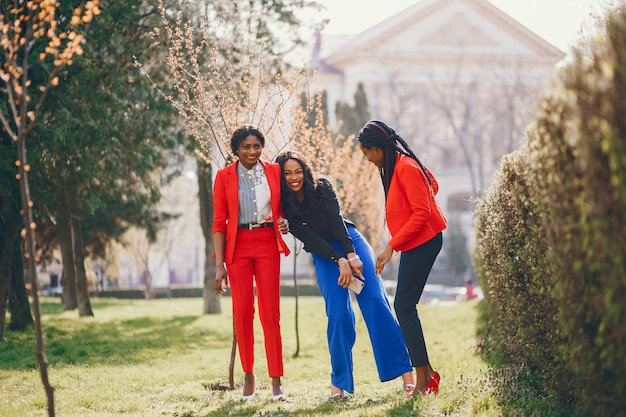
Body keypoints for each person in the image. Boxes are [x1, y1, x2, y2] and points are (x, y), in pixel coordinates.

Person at [275, 151, 416, 399]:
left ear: (305, 171)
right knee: (338, 315)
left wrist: (350, 256)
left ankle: (406, 374)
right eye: (287, 173)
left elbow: (338, 223)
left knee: (374, 302)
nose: (293, 177)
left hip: (352, 243)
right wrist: (338, 260)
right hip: (325, 255)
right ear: (280, 177)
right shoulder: (286, 206)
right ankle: (339, 383)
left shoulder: (323, 187)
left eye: (297, 171)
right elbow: (311, 239)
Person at [357, 120, 447, 396]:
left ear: (376, 148)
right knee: (405, 307)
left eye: (367, 154)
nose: (368, 160)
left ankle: (424, 378)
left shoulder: (406, 167)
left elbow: (422, 212)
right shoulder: (398, 166)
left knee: (404, 307)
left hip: (424, 242)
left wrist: (391, 246)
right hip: (415, 242)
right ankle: (427, 374)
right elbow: (433, 184)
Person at [212, 125, 290, 401]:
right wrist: (220, 265)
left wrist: (284, 221)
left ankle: (277, 380)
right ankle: (248, 375)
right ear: (236, 149)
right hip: (238, 247)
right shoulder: (224, 177)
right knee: (243, 311)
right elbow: (219, 222)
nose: (252, 152)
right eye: (246, 147)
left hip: (268, 241)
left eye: (256, 146)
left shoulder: (274, 172)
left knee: (271, 313)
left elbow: (285, 206)